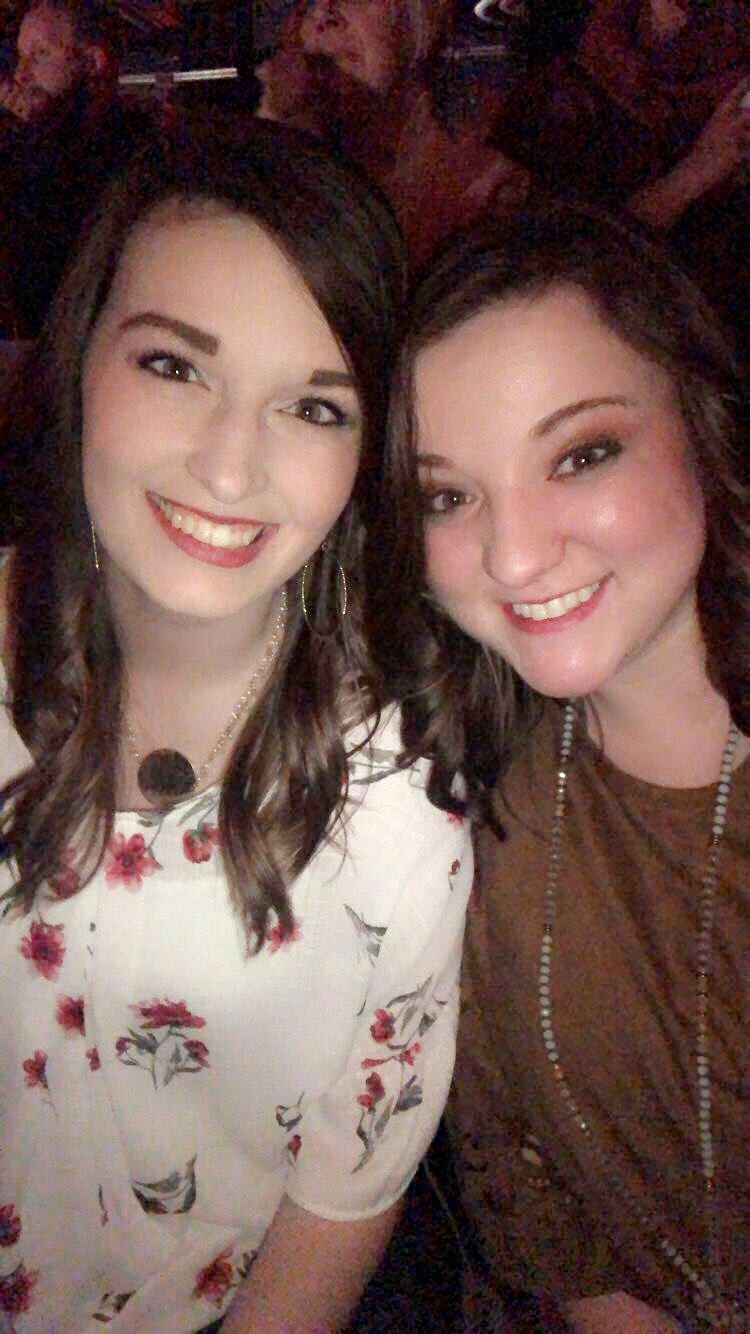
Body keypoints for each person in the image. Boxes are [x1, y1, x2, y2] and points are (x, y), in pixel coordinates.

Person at [0, 118, 472, 1330]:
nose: (227, 466)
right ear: (79, 355)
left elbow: (343, 1192)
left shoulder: (399, 800)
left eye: (313, 405)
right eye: (174, 365)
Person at [377, 204, 749, 1330]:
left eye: (581, 455)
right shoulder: (480, 817)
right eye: (450, 495)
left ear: (703, 423)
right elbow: (537, 1198)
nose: (514, 553)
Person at [0, 0, 144, 337]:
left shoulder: (123, 154)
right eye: (20, 56)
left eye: (40, 54)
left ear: (91, 62)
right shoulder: (35, 137)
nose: (21, 74)